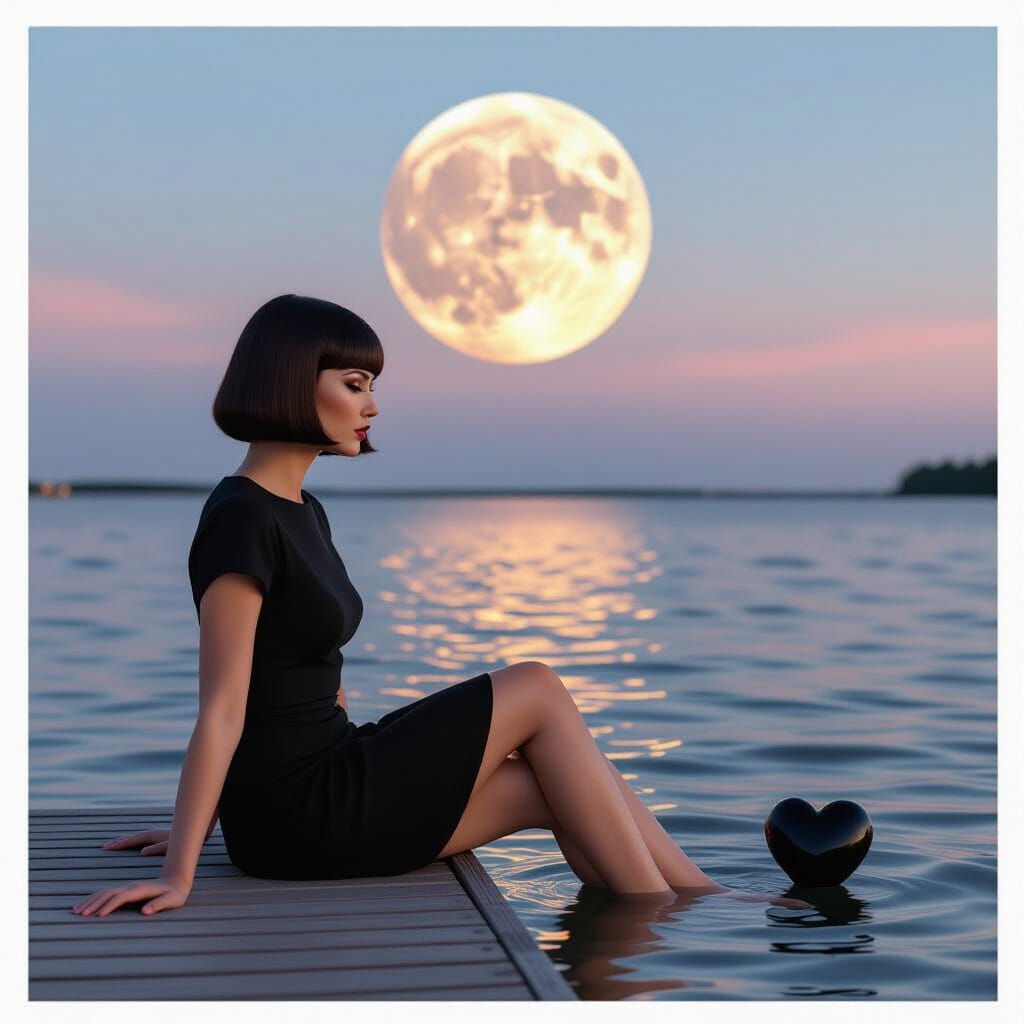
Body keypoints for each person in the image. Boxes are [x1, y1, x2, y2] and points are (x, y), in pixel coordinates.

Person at [71, 294, 810, 917]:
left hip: (327, 767)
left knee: (556, 780)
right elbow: (223, 708)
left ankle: (697, 902)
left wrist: (208, 820)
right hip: (299, 816)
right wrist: (185, 863)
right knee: (536, 686)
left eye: (371, 386)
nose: (372, 405)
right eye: (355, 383)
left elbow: (307, 677)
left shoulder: (304, 511)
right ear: (293, 382)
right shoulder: (241, 517)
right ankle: (676, 918)